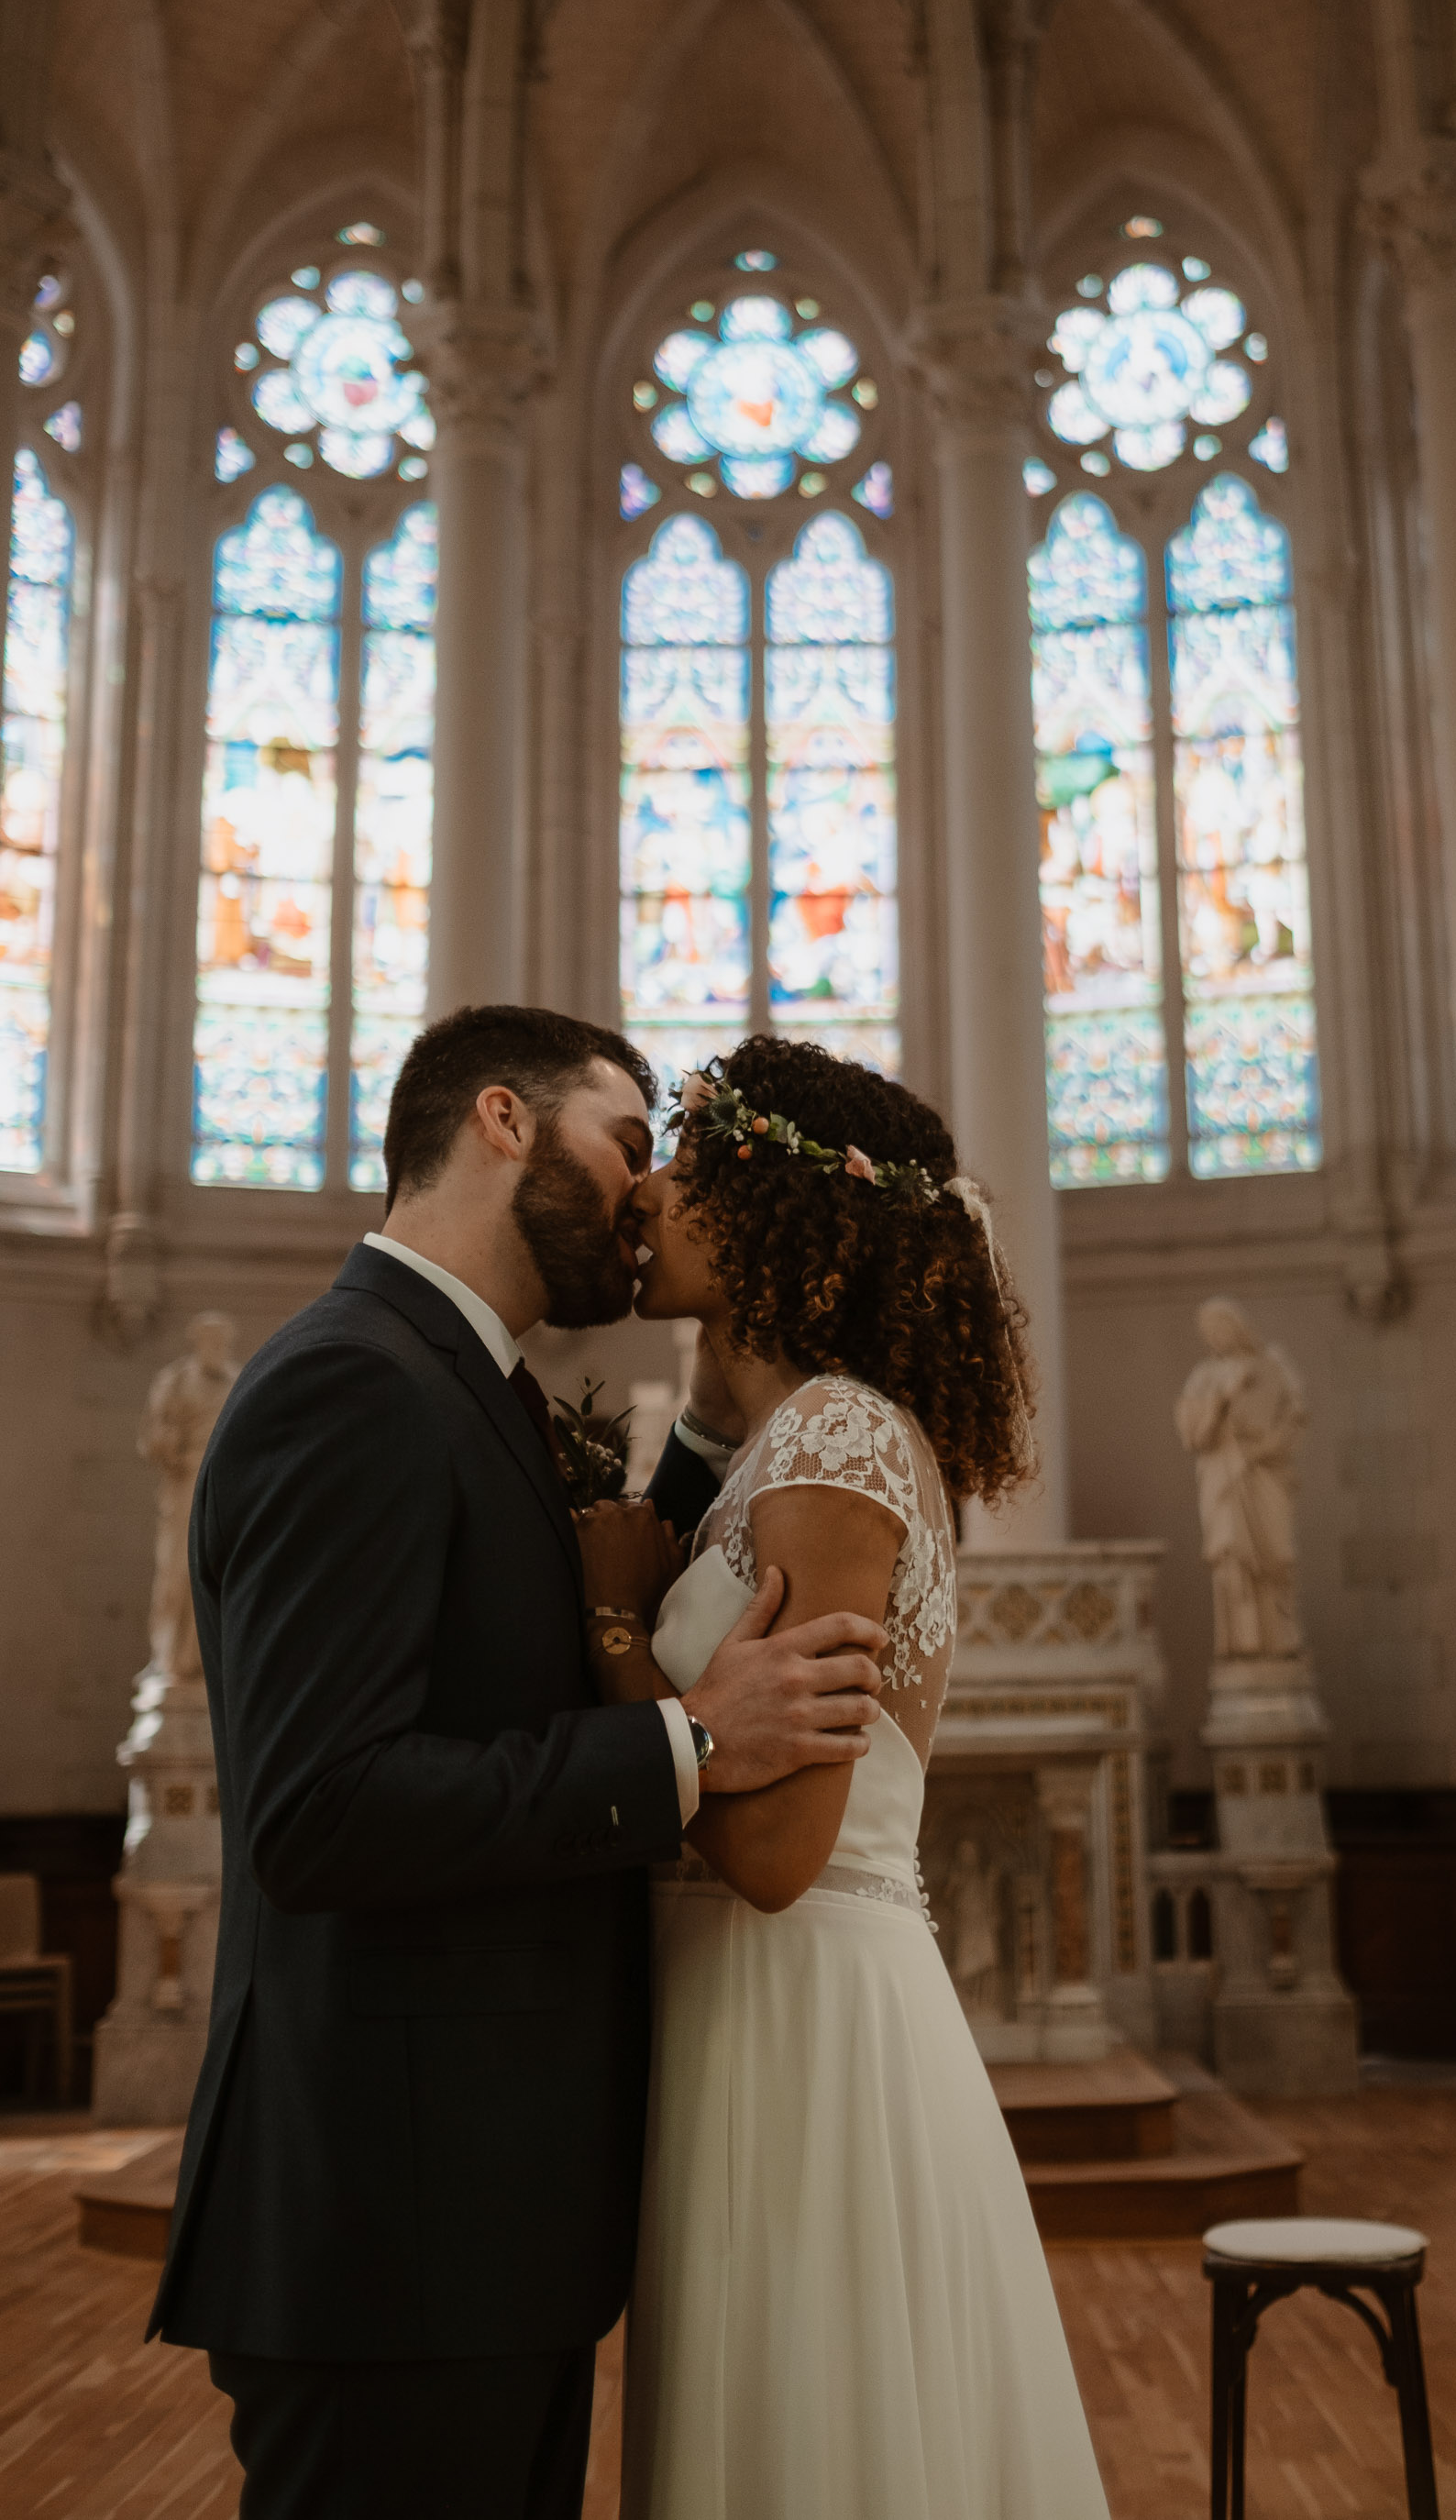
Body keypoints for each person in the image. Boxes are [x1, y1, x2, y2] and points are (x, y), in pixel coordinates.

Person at [150, 1003, 887, 2520]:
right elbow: (323, 1809)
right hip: (391, 2236)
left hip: (477, 2225)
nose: (644, 1194)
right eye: (628, 1140)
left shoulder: (464, 1382)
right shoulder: (349, 1381)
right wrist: (691, 1744)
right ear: (502, 1119)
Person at [578, 1035, 1111, 2520]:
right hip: (750, 1999)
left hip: (795, 2008)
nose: (651, 1185)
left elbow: (772, 1850)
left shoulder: (842, 1436)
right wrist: (691, 1416)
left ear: (769, 1206)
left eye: (688, 1158)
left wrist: (619, 1619)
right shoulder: (778, 1434)